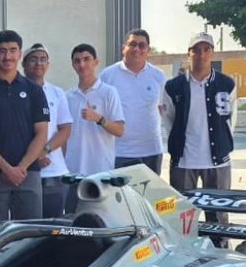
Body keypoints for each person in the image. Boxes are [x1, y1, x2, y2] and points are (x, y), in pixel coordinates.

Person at [0, 30, 50, 243]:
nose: (7, 56)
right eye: (2, 51)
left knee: (30, 238)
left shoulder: (34, 91)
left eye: (12, 51)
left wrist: (22, 168)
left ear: (19, 54)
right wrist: (7, 169)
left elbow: (41, 133)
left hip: (29, 175)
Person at [161, 33, 237, 230]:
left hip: (218, 162)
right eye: (196, 50)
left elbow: (231, 119)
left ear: (212, 53)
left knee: (218, 217)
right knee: (182, 217)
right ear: (189, 54)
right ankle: (185, 255)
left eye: (206, 49)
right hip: (184, 162)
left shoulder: (227, 84)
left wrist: (222, 144)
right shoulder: (173, 87)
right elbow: (169, 120)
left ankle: (220, 250)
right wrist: (178, 146)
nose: (201, 54)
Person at [64, 44, 126, 208]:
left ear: (96, 62)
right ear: (73, 65)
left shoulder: (108, 92)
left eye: (86, 59)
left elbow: (119, 130)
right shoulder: (68, 96)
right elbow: (63, 135)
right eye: (77, 61)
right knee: (73, 224)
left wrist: (99, 119)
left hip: (100, 173)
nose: (82, 64)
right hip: (73, 173)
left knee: (99, 223)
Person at [99, 28, 167, 174]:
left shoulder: (158, 76)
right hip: (118, 153)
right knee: (120, 196)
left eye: (142, 45)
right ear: (124, 48)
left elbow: (163, 110)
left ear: (148, 50)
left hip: (151, 151)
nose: (137, 49)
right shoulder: (107, 76)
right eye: (132, 44)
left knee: (150, 197)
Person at [22, 43, 73, 217]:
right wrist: (34, 158)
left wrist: (44, 151)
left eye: (43, 59)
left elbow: (65, 129)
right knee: (29, 229)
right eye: (33, 59)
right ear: (24, 64)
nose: (39, 64)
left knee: (55, 229)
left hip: (55, 172)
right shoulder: (16, 91)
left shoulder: (57, 93)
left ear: (48, 64)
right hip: (25, 173)